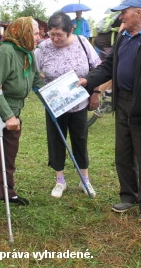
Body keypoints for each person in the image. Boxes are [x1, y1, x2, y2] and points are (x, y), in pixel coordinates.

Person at [78, 0, 141, 223]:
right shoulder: (124, 36)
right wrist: (88, 80)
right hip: (122, 101)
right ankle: (129, 196)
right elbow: (108, 66)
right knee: (123, 152)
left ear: (138, 12)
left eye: (124, 11)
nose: (120, 16)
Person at [0, 17, 43, 216]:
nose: (39, 37)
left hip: (13, 110)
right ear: (24, 33)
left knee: (9, 152)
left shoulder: (28, 51)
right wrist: (8, 116)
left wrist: (54, 98)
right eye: (36, 33)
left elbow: (36, 79)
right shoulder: (5, 52)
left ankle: (6, 192)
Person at [35, 12, 102, 198]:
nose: (55, 38)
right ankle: (60, 180)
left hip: (78, 103)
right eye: (52, 34)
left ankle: (85, 180)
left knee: (80, 139)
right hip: (54, 104)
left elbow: (98, 68)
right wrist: (41, 84)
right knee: (56, 139)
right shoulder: (43, 47)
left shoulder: (82, 42)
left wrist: (95, 92)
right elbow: (32, 72)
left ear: (70, 30)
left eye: (59, 35)